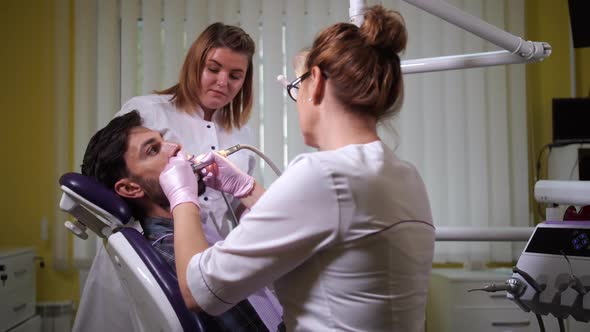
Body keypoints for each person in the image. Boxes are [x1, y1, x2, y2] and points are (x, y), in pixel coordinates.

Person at [161, 5, 436, 331]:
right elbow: (322, 223)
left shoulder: (321, 174)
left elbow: (198, 289)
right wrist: (246, 188)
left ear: (315, 82)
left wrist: (182, 195)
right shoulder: (405, 176)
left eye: (296, 89)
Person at [73, 22, 267, 331]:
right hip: (153, 260)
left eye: (235, 75)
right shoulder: (148, 112)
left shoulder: (242, 132)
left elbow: (239, 207)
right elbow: (107, 172)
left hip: (209, 263)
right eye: (213, 68)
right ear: (194, 64)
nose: (222, 82)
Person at [80, 110, 284, 331]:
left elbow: (291, 237)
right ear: (130, 188)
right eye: (153, 150)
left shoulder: (192, 231)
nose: (175, 147)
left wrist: (245, 188)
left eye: (163, 140)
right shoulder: (169, 250)